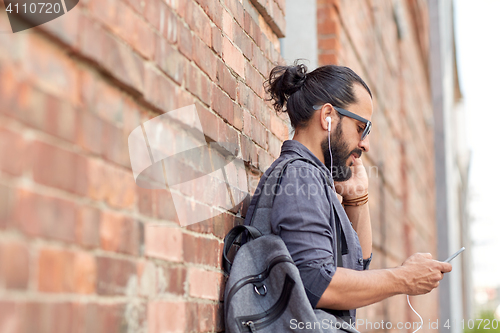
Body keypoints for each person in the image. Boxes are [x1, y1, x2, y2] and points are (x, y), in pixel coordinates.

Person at [243, 61, 452, 326]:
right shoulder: (300, 175)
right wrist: (404, 278)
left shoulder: (314, 176)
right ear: (328, 116)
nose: (364, 143)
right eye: (360, 127)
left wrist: (356, 198)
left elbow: (355, 270)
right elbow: (318, 283)